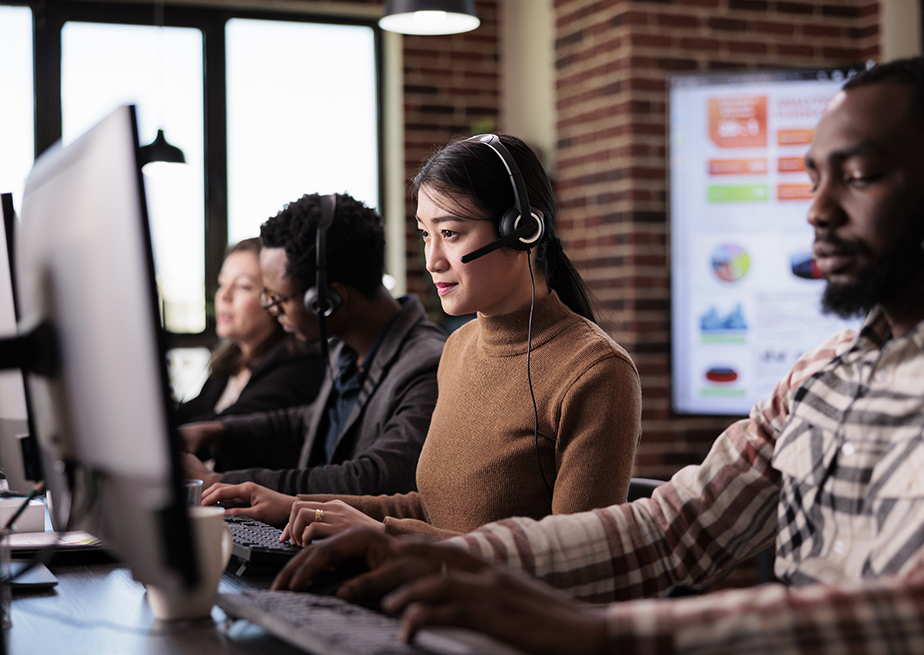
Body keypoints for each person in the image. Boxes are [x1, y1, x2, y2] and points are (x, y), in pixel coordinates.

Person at [272, 57, 924, 654]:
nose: (816, 211)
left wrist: (598, 634)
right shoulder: (822, 376)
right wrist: (442, 559)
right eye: (813, 178)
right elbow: (671, 529)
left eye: (856, 177)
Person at [202, 133, 643, 542]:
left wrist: (387, 537)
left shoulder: (596, 372)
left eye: (449, 234)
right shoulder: (459, 348)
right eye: (425, 235)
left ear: (523, 229)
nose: (432, 260)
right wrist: (295, 506)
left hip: (495, 622)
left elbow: (576, 561)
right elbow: (431, 508)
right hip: (425, 597)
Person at [180, 193, 448, 495]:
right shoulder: (346, 351)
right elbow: (308, 422)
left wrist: (222, 483)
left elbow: (377, 477)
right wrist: (216, 432)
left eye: (278, 297)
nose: (271, 308)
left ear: (327, 301)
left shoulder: (427, 365)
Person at [174, 238, 324, 426]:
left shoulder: (297, 368)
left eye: (243, 286)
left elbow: (220, 427)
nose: (224, 296)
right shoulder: (231, 362)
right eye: (222, 283)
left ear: (274, 297)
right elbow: (188, 415)